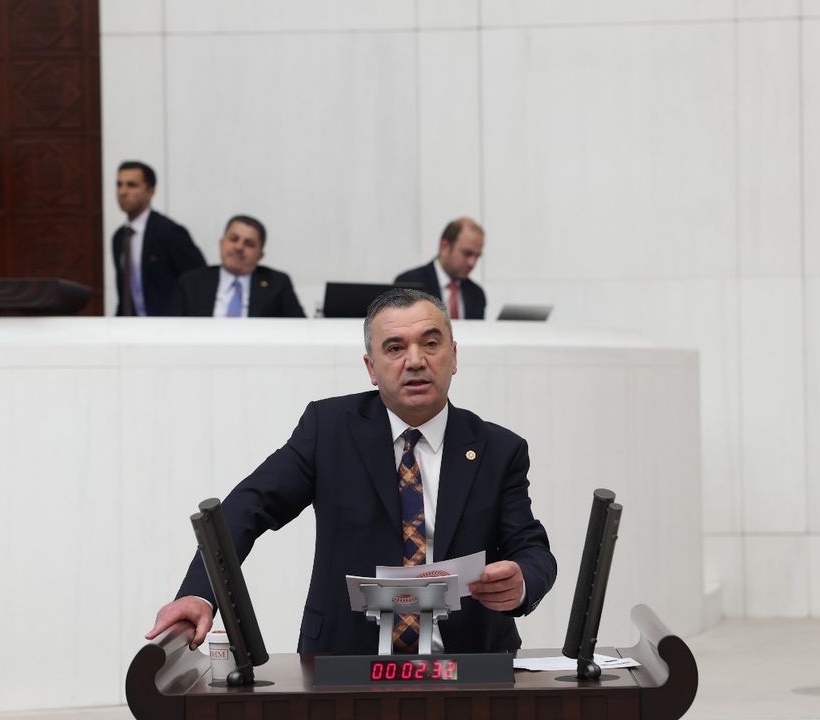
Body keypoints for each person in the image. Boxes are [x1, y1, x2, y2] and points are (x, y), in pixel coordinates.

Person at [145, 288, 556, 654]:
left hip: (469, 666)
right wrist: (199, 593)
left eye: (431, 343)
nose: (415, 360)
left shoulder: (498, 449)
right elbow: (248, 507)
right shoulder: (329, 429)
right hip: (345, 663)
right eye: (395, 348)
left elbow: (532, 549)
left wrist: (521, 581)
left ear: (453, 356)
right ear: (371, 368)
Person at [111, 160, 205, 316]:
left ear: (151, 191)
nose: (123, 192)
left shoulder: (169, 232)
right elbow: (125, 292)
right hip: (130, 326)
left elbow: (198, 279)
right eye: (119, 185)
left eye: (131, 185)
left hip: (167, 324)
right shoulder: (119, 237)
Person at [169, 214, 305, 318]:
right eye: (234, 239)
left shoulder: (277, 284)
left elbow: (299, 329)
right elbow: (171, 329)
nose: (239, 247)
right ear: (221, 243)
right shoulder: (191, 282)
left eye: (249, 244)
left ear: (260, 255)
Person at [394, 217, 487, 320]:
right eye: (467, 253)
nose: (472, 262)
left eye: (477, 256)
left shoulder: (476, 294)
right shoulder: (409, 283)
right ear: (445, 247)